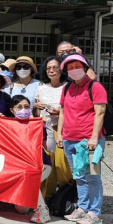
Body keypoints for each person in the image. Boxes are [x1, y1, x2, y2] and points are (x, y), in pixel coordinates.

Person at [57, 54, 106, 224]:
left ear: (85, 67)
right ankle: (83, 208)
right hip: (69, 139)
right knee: (79, 176)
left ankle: (95, 213)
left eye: (77, 66)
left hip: (89, 141)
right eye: (70, 68)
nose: (73, 70)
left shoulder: (96, 87)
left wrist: (94, 136)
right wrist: (60, 135)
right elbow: (62, 111)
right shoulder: (66, 88)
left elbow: (100, 113)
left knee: (92, 176)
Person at [33, 55, 72, 202]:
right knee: (46, 165)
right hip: (44, 129)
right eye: (48, 68)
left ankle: (66, 198)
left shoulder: (67, 87)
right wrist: (36, 107)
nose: (51, 70)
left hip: (62, 129)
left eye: (55, 67)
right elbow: (36, 113)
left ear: (61, 69)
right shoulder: (41, 88)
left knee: (62, 166)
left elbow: (73, 110)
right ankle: (46, 199)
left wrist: (60, 112)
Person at [10, 94, 56, 216]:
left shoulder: (37, 124)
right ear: (11, 110)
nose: (23, 109)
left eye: (26, 106)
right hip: (20, 167)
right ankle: (32, 202)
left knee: (31, 180)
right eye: (19, 107)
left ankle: (42, 211)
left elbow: (50, 148)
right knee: (21, 209)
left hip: (41, 165)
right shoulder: (7, 126)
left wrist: (49, 125)